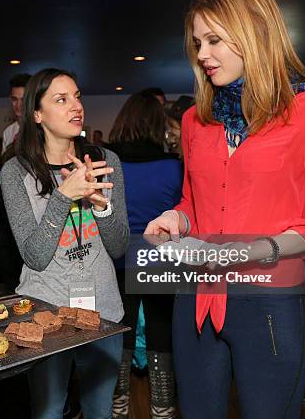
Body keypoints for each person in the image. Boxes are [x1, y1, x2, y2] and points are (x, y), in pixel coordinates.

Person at [144, 0, 305, 418]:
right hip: (196, 298)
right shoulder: (194, 120)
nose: (202, 54)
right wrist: (176, 220)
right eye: (197, 42)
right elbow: (193, 202)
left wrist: (256, 249)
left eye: (214, 40)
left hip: (269, 300)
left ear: (253, 35)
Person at [0, 68, 129, 418]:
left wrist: (102, 207)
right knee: (49, 412)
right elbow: (35, 256)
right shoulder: (15, 172)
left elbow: (118, 248)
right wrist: (62, 197)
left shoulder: (104, 162)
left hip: (103, 311)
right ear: (36, 114)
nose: (76, 106)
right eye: (61, 99)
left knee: (101, 410)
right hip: (45, 313)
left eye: (77, 96)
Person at [107, 91, 183, 418]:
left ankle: (117, 407)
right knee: (161, 335)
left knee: (118, 333)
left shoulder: (107, 164)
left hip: (117, 259)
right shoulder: (172, 167)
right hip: (158, 261)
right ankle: (162, 411)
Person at [2, 73, 32, 152]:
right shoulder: (8, 132)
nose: (18, 105)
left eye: (23, 99)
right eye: (14, 99)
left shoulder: (44, 130)